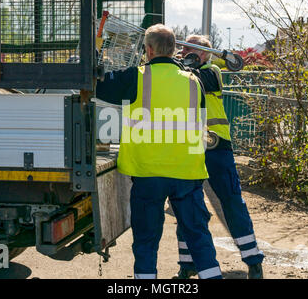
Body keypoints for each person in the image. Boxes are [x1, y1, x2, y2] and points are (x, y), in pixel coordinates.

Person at [95, 24, 223, 279]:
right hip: (187, 172)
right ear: (174, 49)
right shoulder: (194, 81)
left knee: (146, 240)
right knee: (198, 237)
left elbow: (98, 86)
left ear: (149, 50)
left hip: (148, 173)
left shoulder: (135, 76)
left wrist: (95, 60)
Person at [172, 34, 265, 279]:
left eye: (190, 49)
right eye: (182, 48)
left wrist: (186, 65)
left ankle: (253, 260)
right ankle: (187, 263)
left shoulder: (211, 71)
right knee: (186, 206)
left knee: (232, 202)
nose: (183, 52)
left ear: (205, 53)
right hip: (188, 147)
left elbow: (201, 81)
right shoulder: (179, 73)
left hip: (216, 146)